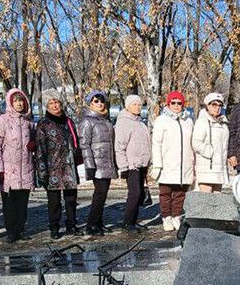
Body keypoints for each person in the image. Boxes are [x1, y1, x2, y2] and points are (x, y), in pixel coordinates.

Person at [36, 90, 81, 239]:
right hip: (52, 167)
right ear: (47, 106)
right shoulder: (43, 124)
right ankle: (54, 227)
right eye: (51, 103)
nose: (55, 105)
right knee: (54, 201)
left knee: (71, 198)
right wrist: (42, 171)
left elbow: (76, 143)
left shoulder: (68, 121)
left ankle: (71, 224)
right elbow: (40, 149)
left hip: (68, 166)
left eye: (57, 102)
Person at [0, 88, 35, 243]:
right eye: (16, 100)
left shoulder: (29, 122)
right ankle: (11, 231)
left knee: (22, 203)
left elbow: (34, 140)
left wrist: (33, 145)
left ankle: (20, 229)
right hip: (9, 170)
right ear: (10, 102)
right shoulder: (2, 120)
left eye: (21, 100)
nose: (19, 103)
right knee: (9, 203)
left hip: (26, 168)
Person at [152, 91, 195, 232]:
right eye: (173, 102)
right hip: (167, 163)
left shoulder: (188, 121)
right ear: (168, 104)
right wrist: (158, 164)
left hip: (184, 164)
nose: (176, 105)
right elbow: (156, 143)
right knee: (166, 193)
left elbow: (192, 143)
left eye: (179, 103)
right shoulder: (162, 120)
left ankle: (176, 216)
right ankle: (166, 217)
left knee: (180, 193)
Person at [80, 89, 117, 235]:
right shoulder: (87, 121)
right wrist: (89, 166)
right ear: (90, 103)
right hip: (96, 164)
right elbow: (84, 144)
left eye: (102, 101)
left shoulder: (105, 120)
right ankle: (91, 225)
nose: (100, 104)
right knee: (99, 194)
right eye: (96, 101)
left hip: (107, 163)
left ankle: (98, 223)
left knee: (103, 194)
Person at [115, 94, 152, 231]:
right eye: (134, 104)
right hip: (131, 165)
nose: (137, 107)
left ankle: (134, 220)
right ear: (127, 106)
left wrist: (149, 161)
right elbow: (119, 147)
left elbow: (146, 144)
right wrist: (123, 167)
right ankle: (127, 223)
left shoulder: (141, 123)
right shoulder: (123, 122)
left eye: (139, 104)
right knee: (134, 193)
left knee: (140, 194)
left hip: (142, 164)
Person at [192, 92, 229, 193]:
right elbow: (196, 143)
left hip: (219, 168)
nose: (217, 108)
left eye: (220, 105)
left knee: (217, 204)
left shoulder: (223, 123)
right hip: (206, 169)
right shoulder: (202, 122)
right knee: (205, 203)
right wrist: (210, 152)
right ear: (207, 106)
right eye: (214, 105)